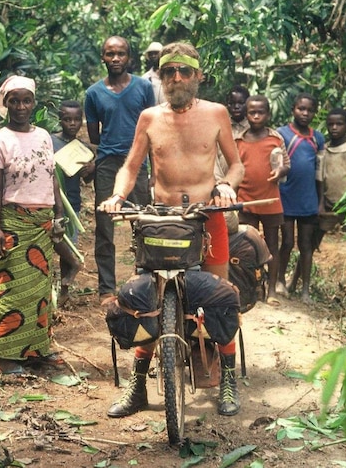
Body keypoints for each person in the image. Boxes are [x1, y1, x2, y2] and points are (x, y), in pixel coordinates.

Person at [99, 41, 245, 417]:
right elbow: (131, 167)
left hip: (207, 217)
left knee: (220, 298)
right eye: (168, 72)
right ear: (161, 77)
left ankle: (226, 377)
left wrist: (226, 186)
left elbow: (236, 165)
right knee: (145, 300)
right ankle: (137, 386)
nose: (176, 78)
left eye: (184, 71)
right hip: (160, 220)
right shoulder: (149, 117)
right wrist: (117, 195)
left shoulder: (216, 114)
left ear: (197, 75)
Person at [0, 76, 65, 376]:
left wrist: (58, 213)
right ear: (6, 103)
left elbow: (51, 176)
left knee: (39, 290)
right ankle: (5, 358)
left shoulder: (44, 136)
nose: (20, 106)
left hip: (42, 225)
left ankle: (36, 351)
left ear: (34, 103)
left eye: (26, 100)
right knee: (9, 290)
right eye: (14, 101)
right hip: (14, 223)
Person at [85, 36, 156, 304]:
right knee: (105, 226)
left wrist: (153, 170)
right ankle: (107, 289)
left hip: (138, 163)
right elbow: (95, 136)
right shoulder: (93, 94)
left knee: (144, 222)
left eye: (121, 54)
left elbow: (153, 128)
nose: (116, 59)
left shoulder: (143, 87)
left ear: (129, 58)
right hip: (107, 164)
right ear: (102, 57)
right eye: (110, 54)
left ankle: (145, 280)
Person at [234, 95, 290, 305]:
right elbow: (235, 168)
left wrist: (280, 171)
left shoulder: (275, 139)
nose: (256, 116)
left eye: (261, 112)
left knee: (272, 246)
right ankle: (252, 289)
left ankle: (272, 291)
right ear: (246, 114)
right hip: (246, 201)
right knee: (247, 247)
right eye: (252, 112)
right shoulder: (238, 140)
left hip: (270, 200)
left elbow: (286, 164)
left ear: (268, 114)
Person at [276, 93, 325, 304]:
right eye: (301, 109)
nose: (305, 114)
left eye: (309, 110)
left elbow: (320, 173)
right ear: (293, 109)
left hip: (308, 200)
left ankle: (305, 290)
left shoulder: (318, 138)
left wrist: (320, 201)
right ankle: (278, 282)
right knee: (286, 242)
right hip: (286, 198)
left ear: (315, 112)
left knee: (306, 245)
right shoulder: (281, 134)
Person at [51, 100, 95, 302]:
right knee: (56, 241)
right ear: (59, 119)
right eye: (67, 119)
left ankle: (64, 292)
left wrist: (90, 170)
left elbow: (87, 180)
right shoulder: (50, 141)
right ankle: (75, 264)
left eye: (77, 119)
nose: (72, 124)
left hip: (73, 203)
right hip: (51, 202)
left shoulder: (82, 149)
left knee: (68, 244)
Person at [316, 108, 346, 246]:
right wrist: (321, 204)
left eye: (339, 124)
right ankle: (301, 268)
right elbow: (320, 178)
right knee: (313, 242)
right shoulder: (323, 150)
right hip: (328, 205)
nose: (334, 128)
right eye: (331, 124)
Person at [214, 85, 250, 182]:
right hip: (222, 183)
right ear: (226, 104)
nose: (236, 107)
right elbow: (214, 159)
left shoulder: (253, 129)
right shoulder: (220, 127)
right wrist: (220, 182)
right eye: (232, 103)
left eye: (241, 103)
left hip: (248, 185)